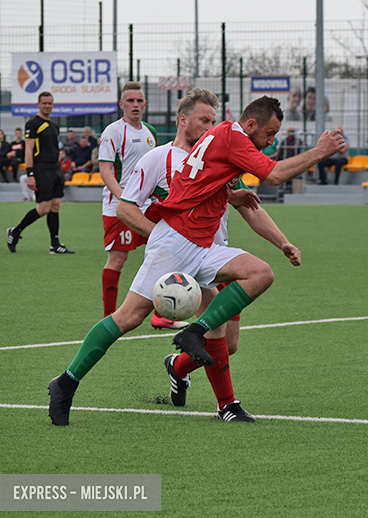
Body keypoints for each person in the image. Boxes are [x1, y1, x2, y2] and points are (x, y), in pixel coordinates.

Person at [46, 95, 346, 426]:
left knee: (259, 274)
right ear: (250, 125)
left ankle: (222, 395)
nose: (271, 141)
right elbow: (273, 175)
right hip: (175, 242)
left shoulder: (219, 140)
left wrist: (237, 201)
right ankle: (66, 383)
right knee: (129, 317)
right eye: (270, 133)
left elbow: (204, 184)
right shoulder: (219, 140)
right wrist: (319, 151)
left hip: (204, 245)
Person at [119, 88, 302, 418]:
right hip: (184, 255)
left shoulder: (222, 152)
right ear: (183, 120)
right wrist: (161, 237)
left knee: (228, 344)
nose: (210, 126)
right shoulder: (162, 158)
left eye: (213, 121)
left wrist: (282, 242)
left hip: (217, 255)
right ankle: (227, 404)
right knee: (207, 331)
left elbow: (249, 208)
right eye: (204, 120)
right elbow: (128, 207)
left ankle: (178, 366)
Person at [98, 82, 164, 324]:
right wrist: (124, 199)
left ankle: (161, 315)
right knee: (118, 260)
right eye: (130, 101)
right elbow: (105, 171)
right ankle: (108, 318)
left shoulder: (150, 132)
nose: (135, 105)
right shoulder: (113, 131)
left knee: (164, 252)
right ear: (121, 104)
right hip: (119, 207)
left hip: (147, 205)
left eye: (139, 101)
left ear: (145, 104)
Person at [7, 91, 75, 255]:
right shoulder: (33, 124)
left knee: (56, 205)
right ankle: (15, 231)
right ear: (38, 105)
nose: (47, 106)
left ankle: (55, 245)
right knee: (44, 207)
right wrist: (30, 174)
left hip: (56, 168)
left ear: (53, 105)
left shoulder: (54, 126)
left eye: (50, 103)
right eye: (44, 103)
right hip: (41, 169)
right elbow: (28, 151)